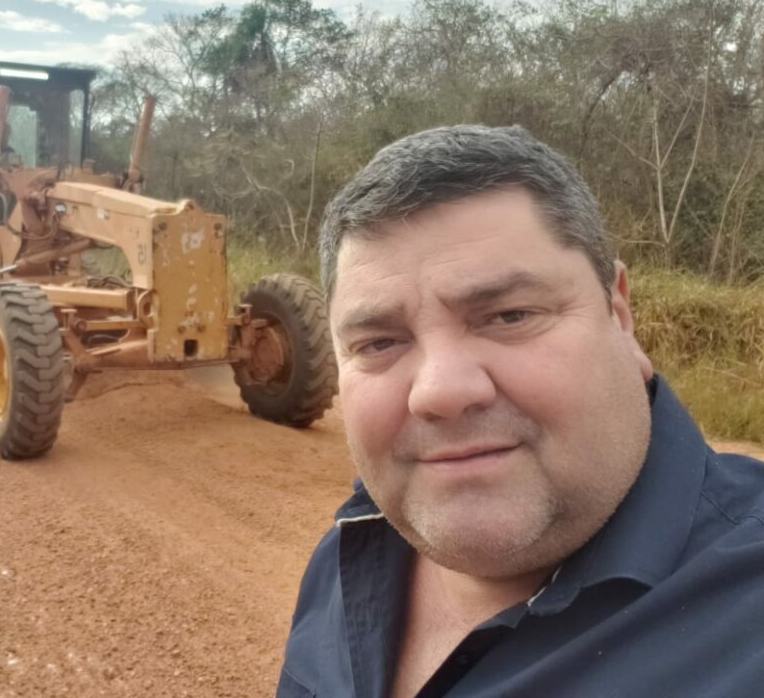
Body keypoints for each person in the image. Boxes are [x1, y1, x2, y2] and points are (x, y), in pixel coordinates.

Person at [276, 125, 764, 698]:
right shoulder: (343, 557)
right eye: (379, 343)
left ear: (620, 313)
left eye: (509, 316)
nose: (439, 391)